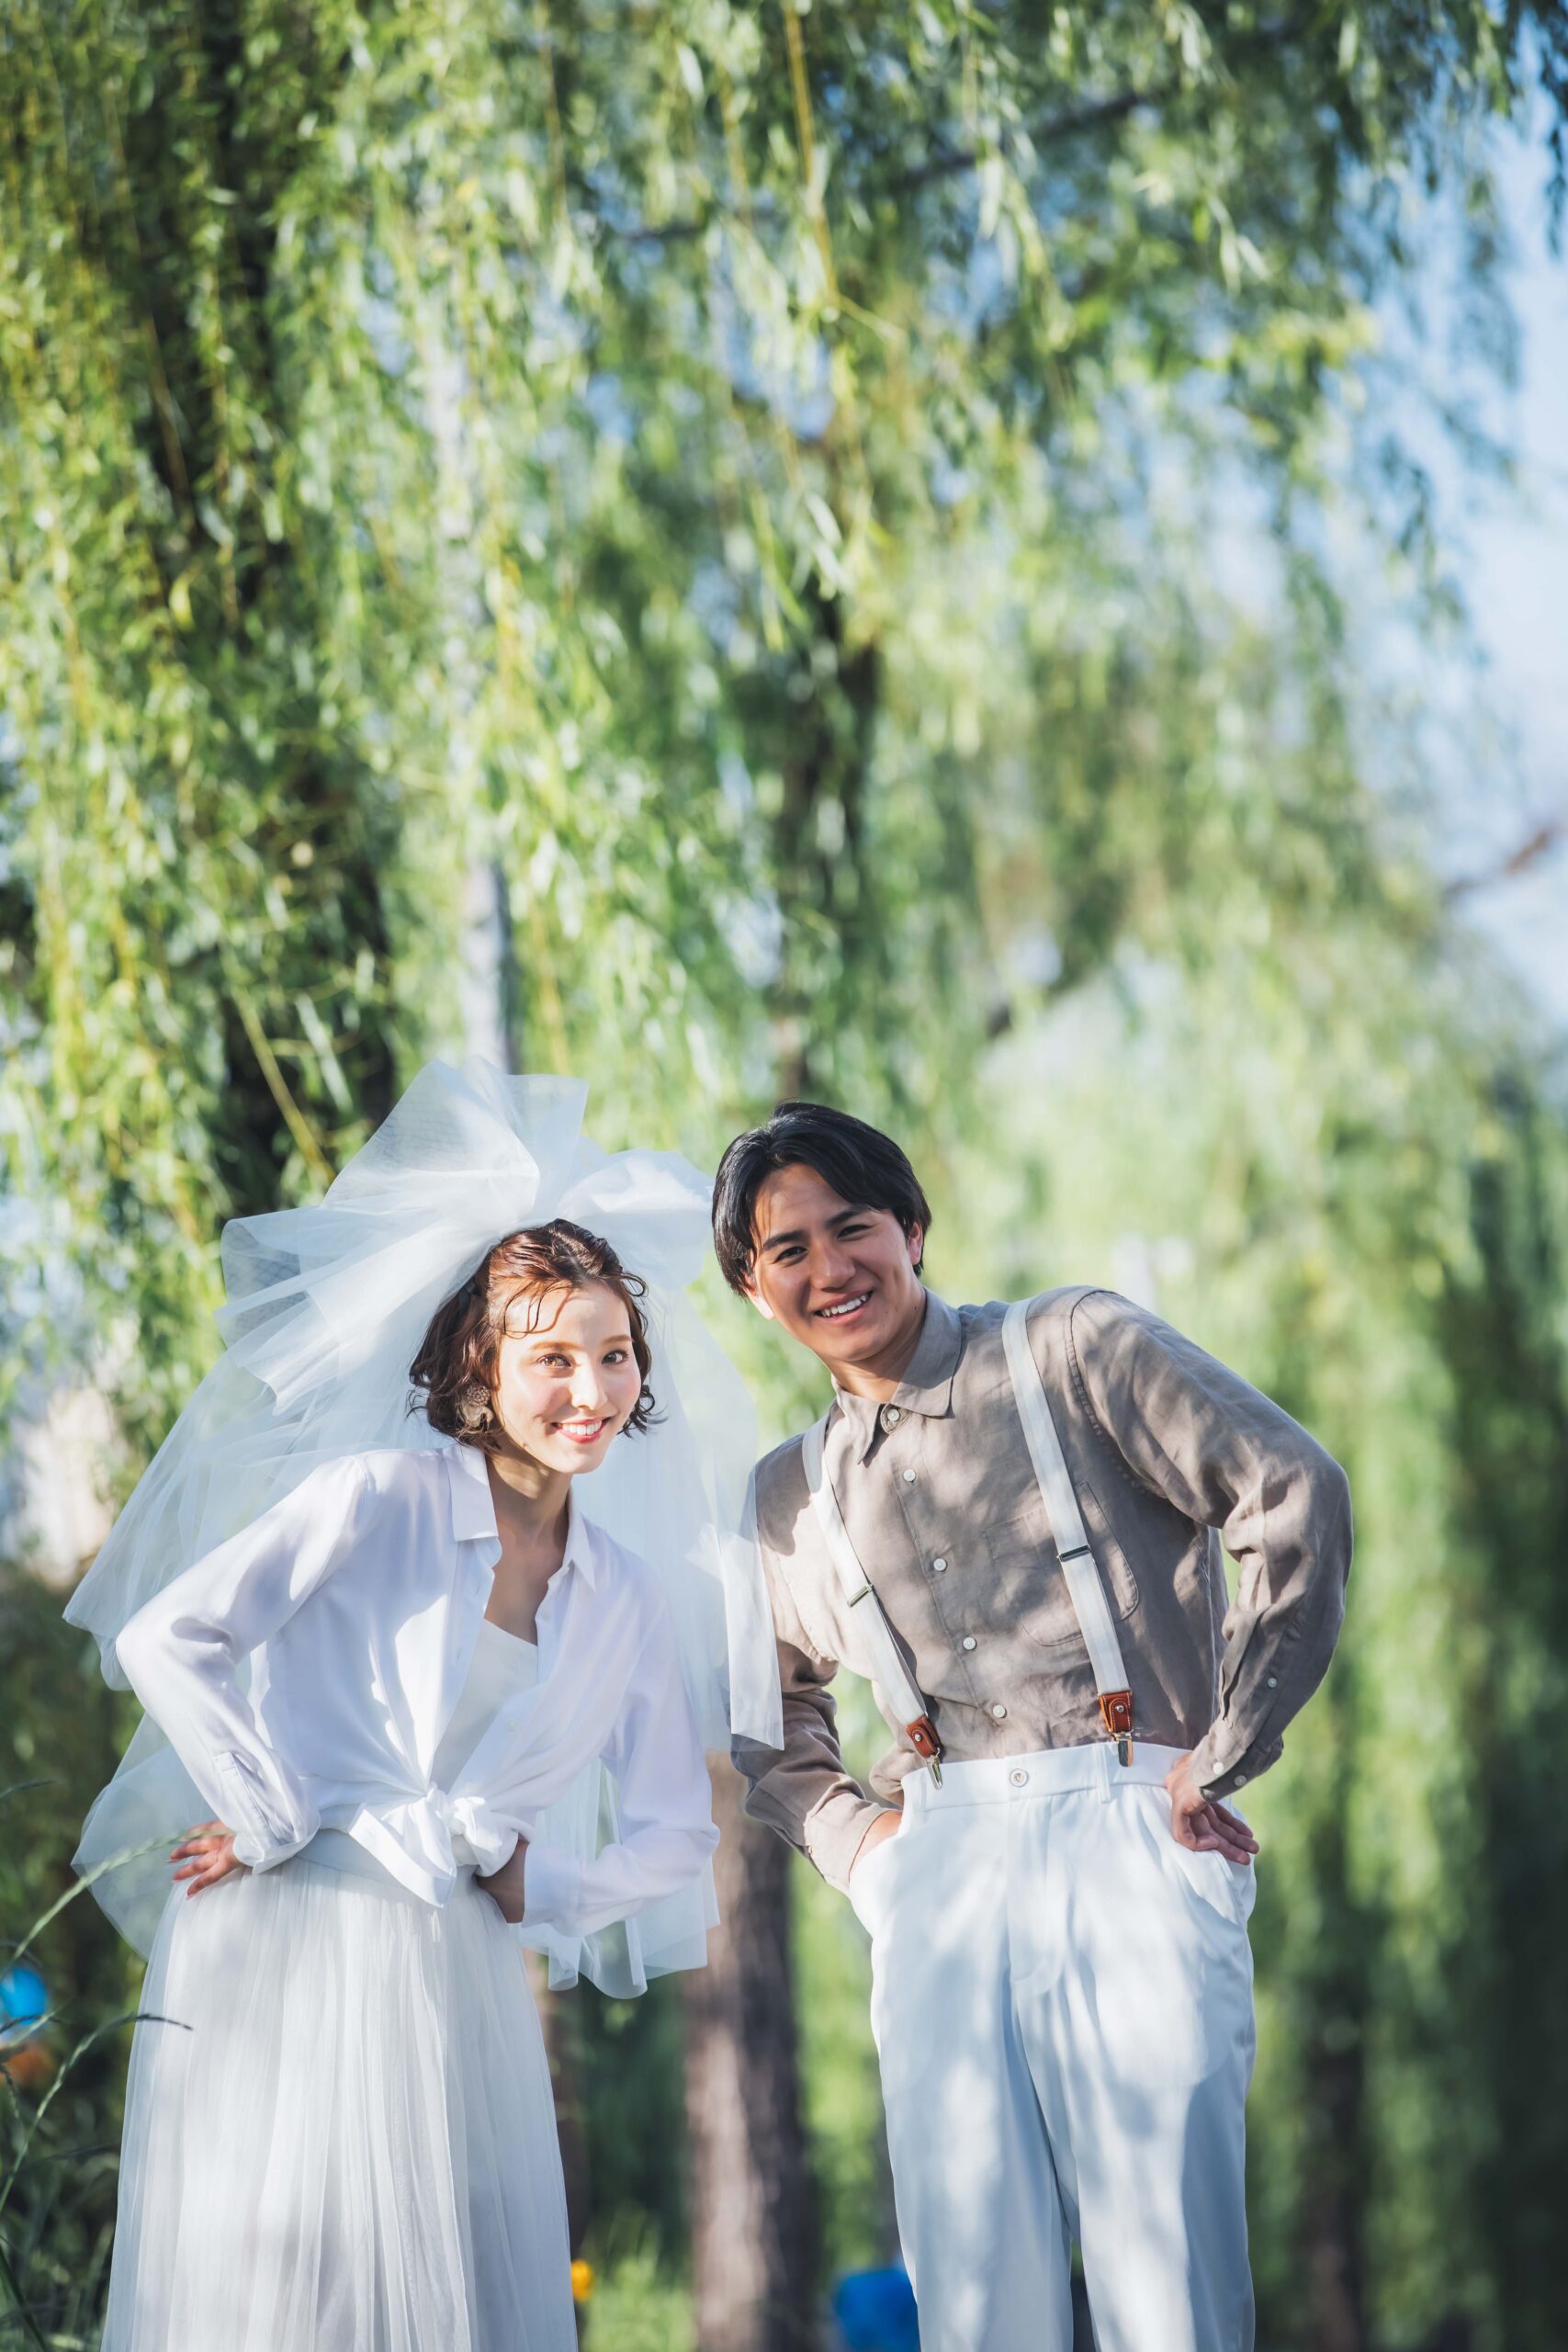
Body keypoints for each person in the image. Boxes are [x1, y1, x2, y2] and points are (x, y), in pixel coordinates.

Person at [65, 1061, 781, 2352]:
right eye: (550, 1355)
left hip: (454, 1962)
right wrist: (278, 1813)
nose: (591, 1390)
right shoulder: (380, 1497)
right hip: (288, 1935)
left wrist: (529, 1878)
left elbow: (676, 1836)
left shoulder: (621, 1593)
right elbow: (171, 1634)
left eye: (615, 1356)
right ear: (475, 1362)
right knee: (290, 2296)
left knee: (451, 2293)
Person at [715, 1101, 1353, 2352]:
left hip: (1132, 1826)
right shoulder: (785, 1493)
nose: (829, 1268)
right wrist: (861, 1851)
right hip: (935, 1868)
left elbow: (1293, 1493)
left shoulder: (1074, 1347)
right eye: (787, 1251)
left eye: (853, 1229)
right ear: (752, 1289)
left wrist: (1224, 1750)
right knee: (969, 2293)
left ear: (913, 1227)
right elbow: (769, 1715)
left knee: (1166, 2284)